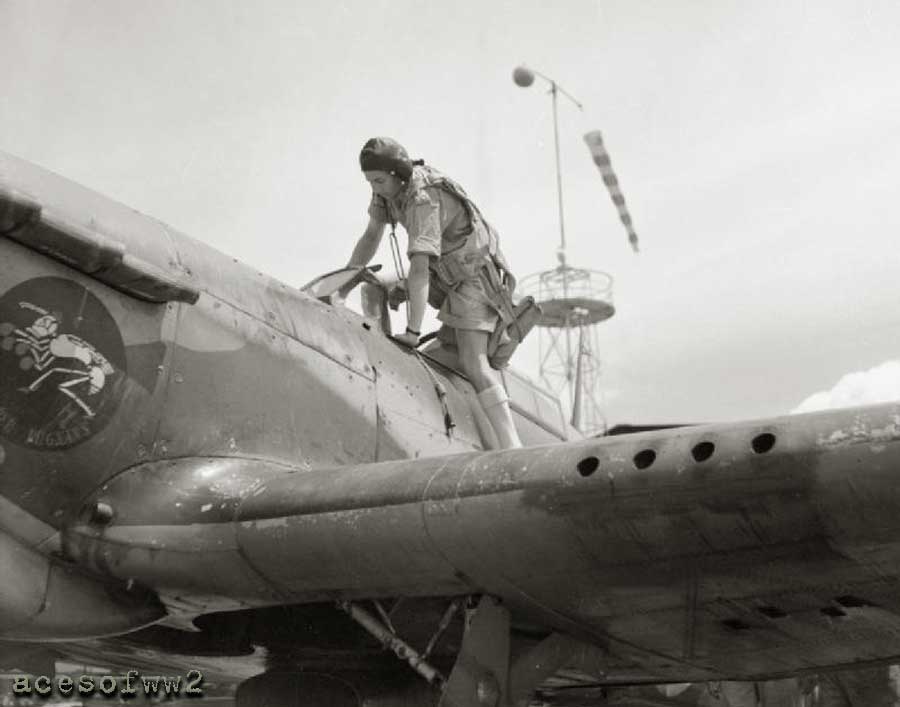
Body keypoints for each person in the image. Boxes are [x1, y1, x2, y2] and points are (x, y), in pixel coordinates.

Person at [347, 136, 522, 450]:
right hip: (443, 272)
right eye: (370, 182)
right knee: (378, 287)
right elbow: (372, 234)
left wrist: (413, 332)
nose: (375, 188)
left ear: (397, 176)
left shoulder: (424, 198)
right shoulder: (387, 190)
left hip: (473, 278)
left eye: (379, 181)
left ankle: (513, 446)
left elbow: (419, 267)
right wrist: (345, 280)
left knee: (473, 361)